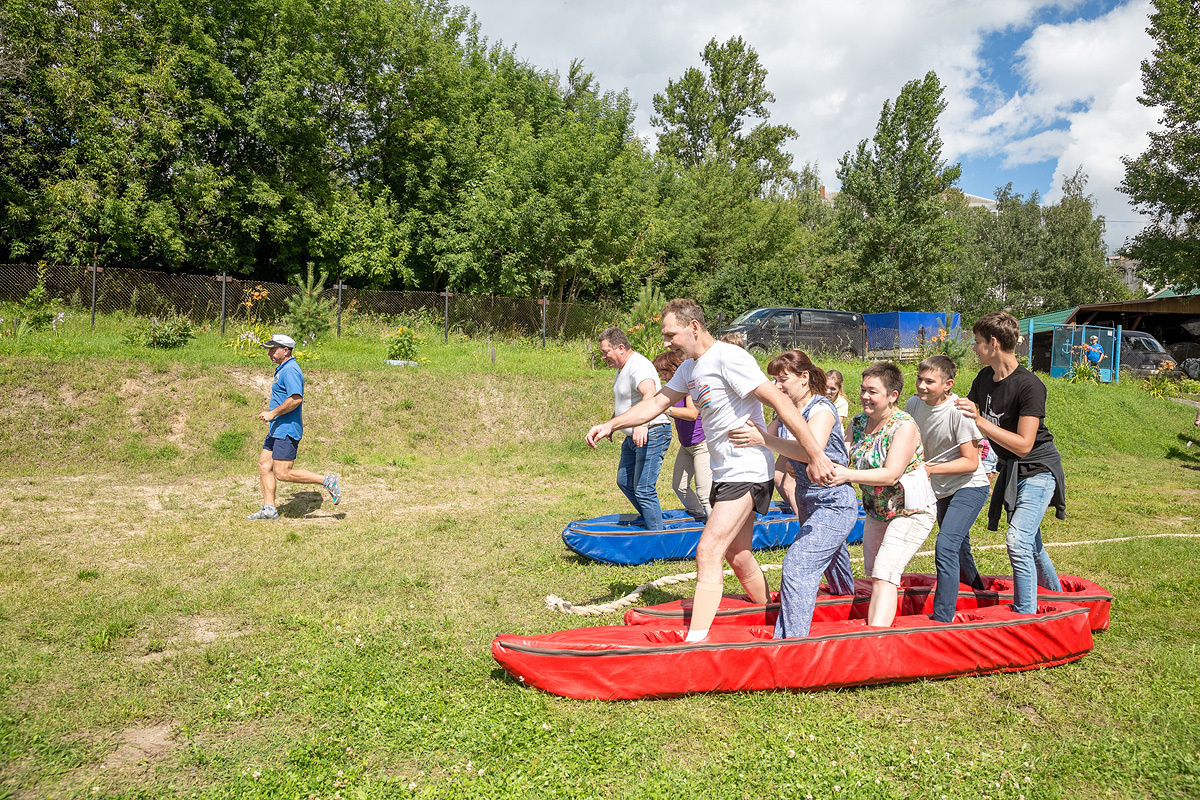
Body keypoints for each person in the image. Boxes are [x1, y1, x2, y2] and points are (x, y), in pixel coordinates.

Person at [586, 299, 836, 642]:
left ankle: (696, 640)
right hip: (726, 471)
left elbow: (779, 401)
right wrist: (611, 424)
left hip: (747, 469)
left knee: (708, 549)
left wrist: (816, 455)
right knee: (738, 554)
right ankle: (768, 611)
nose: (666, 342)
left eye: (670, 334)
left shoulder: (729, 358)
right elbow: (656, 403)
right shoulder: (690, 368)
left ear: (693, 327)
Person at [729, 350, 857, 638]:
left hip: (834, 502)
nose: (777, 386)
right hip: (807, 498)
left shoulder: (821, 409)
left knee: (798, 564)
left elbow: (810, 450)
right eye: (774, 380)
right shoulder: (785, 412)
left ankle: (792, 640)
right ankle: (848, 601)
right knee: (834, 561)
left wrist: (766, 440)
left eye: (782, 379)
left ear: (804, 377)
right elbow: (762, 437)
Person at [956, 312, 1065, 615]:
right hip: (1011, 469)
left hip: (1038, 469)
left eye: (977, 342)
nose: (973, 348)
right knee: (1031, 544)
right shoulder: (983, 378)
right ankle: (1060, 601)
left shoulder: (1030, 386)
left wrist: (980, 421)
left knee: (1018, 541)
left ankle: (1025, 616)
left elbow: (1023, 444)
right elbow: (966, 417)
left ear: (993, 343)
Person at [830, 362, 936, 628]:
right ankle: (878, 626)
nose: (865, 396)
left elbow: (890, 474)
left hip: (910, 511)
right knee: (873, 572)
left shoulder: (904, 426)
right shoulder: (858, 423)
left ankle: (876, 636)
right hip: (877, 511)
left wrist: (847, 475)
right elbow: (840, 458)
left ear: (892, 395)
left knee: (884, 573)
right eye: (863, 390)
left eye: (872, 391)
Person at [905, 355, 989, 623]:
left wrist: (930, 469)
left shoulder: (958, 412)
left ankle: (943, 617)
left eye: (930, 381)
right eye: (919, 379)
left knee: (946, 545)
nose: (922, 385)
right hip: (941, 488)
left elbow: (971, 462)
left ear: (947, 385)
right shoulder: (913, 404)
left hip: (969, 485)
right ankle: (977, 594)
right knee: (960, 546)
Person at [249, 334, 341, 520]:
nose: (269, 353)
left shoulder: (290, 370)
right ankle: (269, 510)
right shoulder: (283, 369)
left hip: (287, 429)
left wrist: (273, 413)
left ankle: (327, 481)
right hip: (277, 428)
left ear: (286, 351)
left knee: (283, 473)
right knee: (264, 465)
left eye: (273, 350)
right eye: (269, 350)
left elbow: (296, 399)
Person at [597, 327, 672, 530]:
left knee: (644, 489)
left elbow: (650, 394)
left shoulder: (638, 366)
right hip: (633, 436)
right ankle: (652, 519)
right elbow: (627, 401)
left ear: (620, 348)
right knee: (624, 481)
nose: (603, 357)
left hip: (653, 432)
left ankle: (657, 535)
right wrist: (612, 424)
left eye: (606, 352)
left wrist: (641, 424)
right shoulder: (623, 368)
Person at [653, 349, 712, 521]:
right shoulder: (671, 391)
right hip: (686, 445)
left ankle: (719, 529)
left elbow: (692, 414)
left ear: (674, 369)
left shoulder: (688, 388)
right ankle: (699, 515)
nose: (663, 377)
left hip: (702, 444)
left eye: (664, 373)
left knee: (704, 492)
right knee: (679, 486)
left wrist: (667, 410)